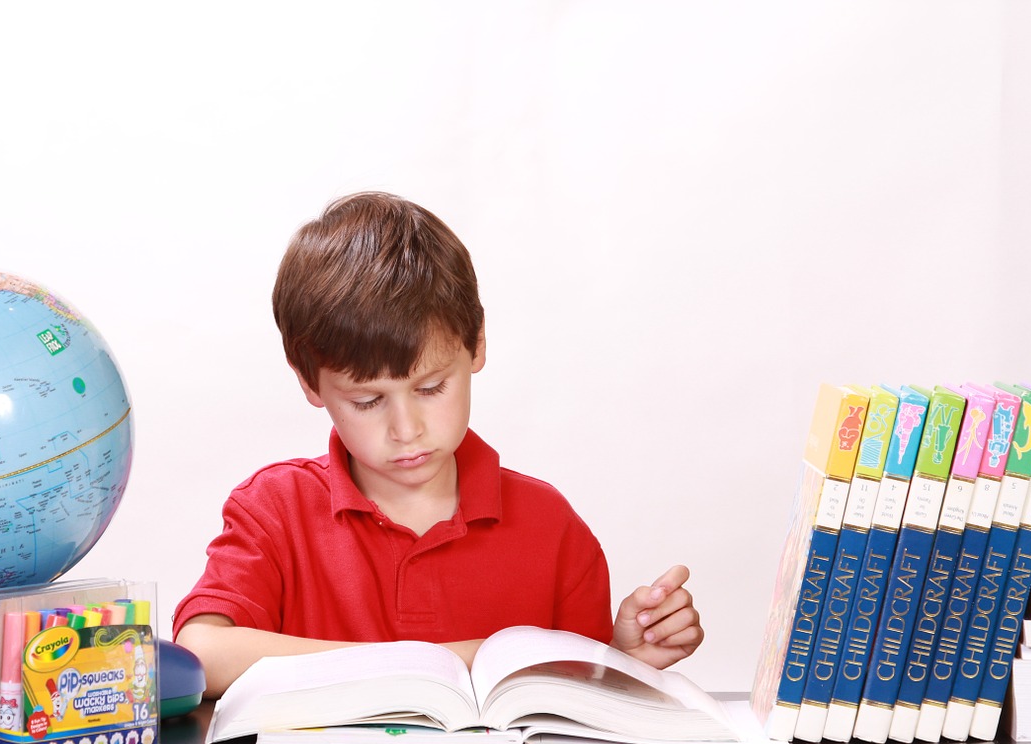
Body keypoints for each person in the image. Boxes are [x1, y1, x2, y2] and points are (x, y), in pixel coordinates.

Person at [173, 191, 703, 697]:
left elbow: (579, 695)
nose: (406, 430)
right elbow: (202, 652)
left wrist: (621, 659)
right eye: (367, 401)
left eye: (430, 389)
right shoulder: (274, 509)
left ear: (477, 344)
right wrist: (449, 661)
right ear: (310, 383)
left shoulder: (552, 526)